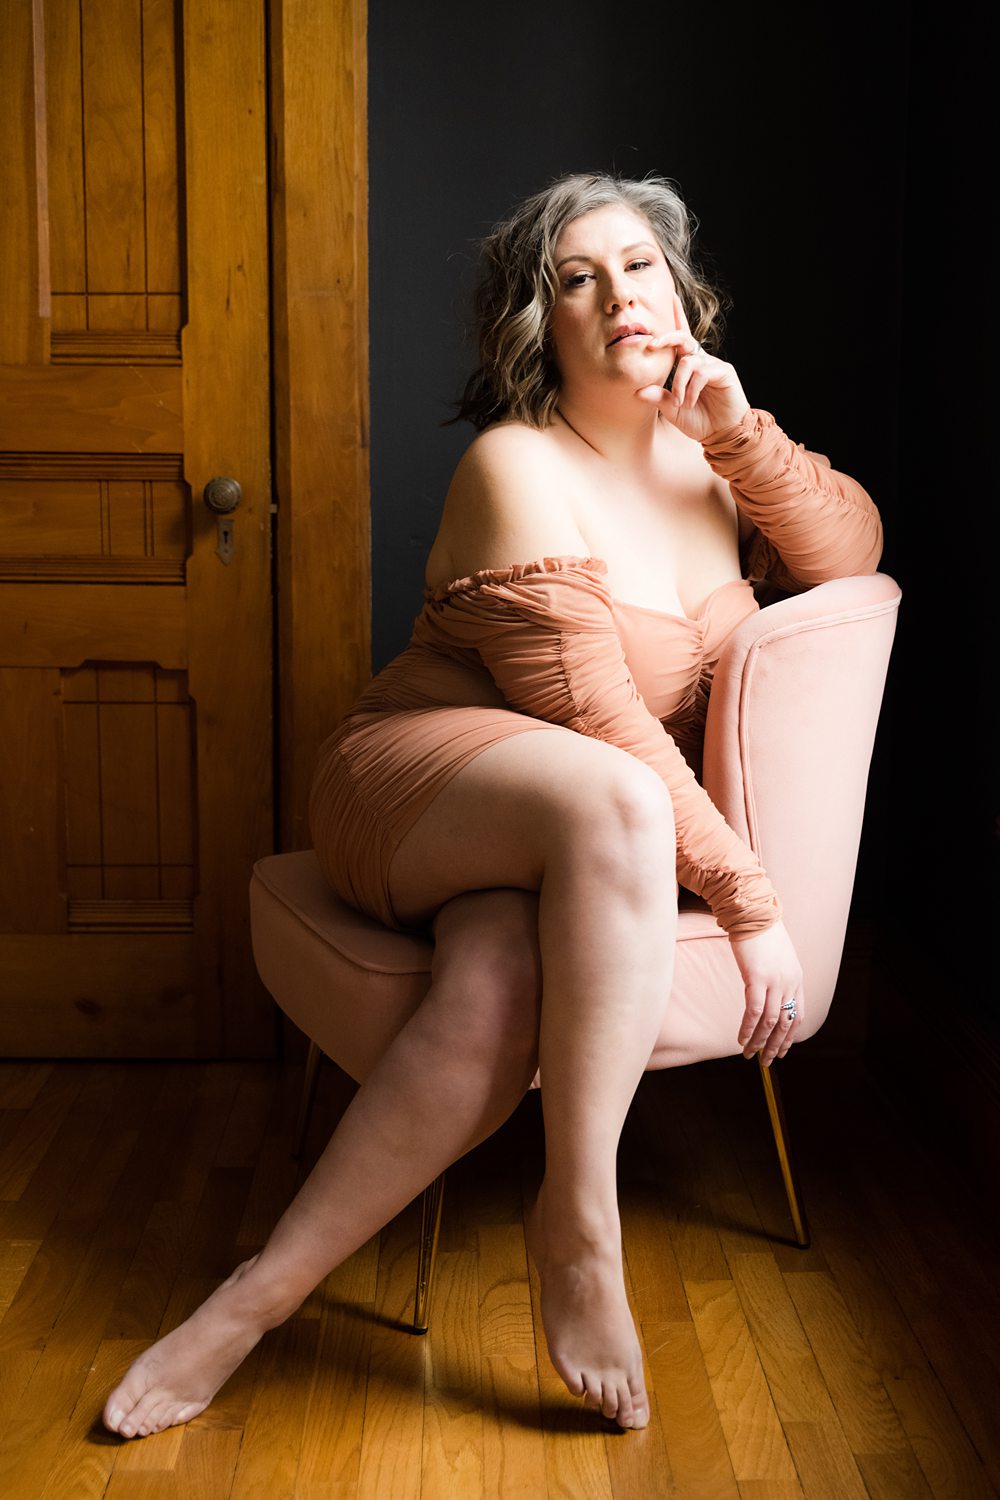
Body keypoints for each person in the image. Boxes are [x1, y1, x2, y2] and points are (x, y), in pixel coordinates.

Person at [103, 171, 882, 1439]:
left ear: (683, 296)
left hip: (564, 833)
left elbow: (851, 553)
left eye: (639, 265)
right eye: (575, 278)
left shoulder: (717, 461)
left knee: (495, 987)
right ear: (541, 326)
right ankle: (578, 1223)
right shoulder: (515, 463)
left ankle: (246, 1306)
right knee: (616, 802)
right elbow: (606, 728)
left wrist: (737, 430)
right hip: (418, 781)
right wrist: (750, 901)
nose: (616, 293)